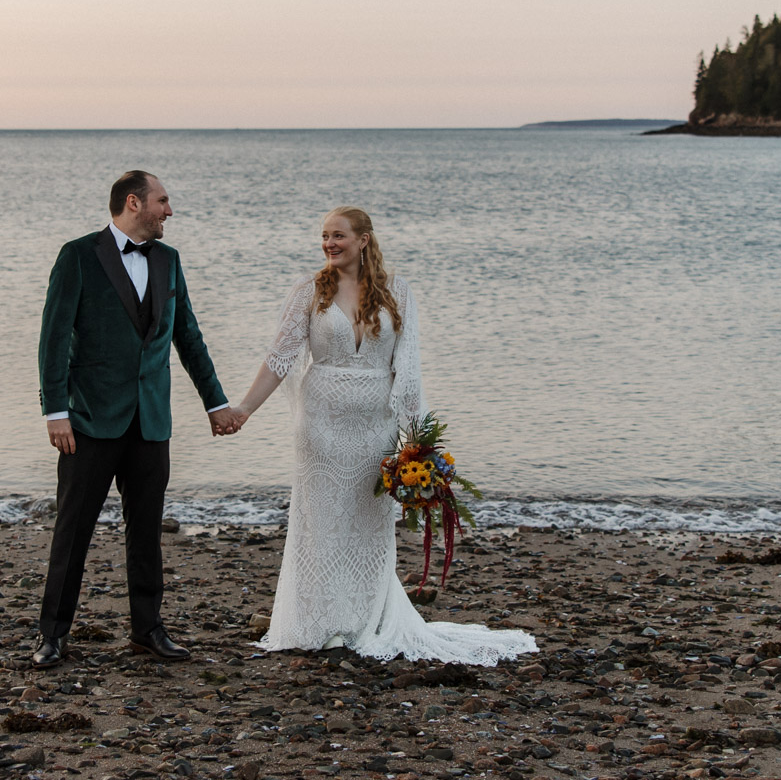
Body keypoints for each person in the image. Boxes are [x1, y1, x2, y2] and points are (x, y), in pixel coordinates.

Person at [231, 207, 537, 664]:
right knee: (322, 522)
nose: (329, 243)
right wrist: (242, 410)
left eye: (338, 235)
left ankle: (366, 618)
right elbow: (279, 359)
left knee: (369, 522)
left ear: (364, 240)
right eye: (324, 236)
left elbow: (407, 373)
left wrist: (421, 444)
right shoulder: (309, 293)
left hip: (377, 427)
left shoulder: (399, 292)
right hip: (320, 425)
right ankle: (322, 622)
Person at [34, 170, 241, 669]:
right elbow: (54, 338)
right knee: (73, 531)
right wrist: (55, 411)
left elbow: (187, 337)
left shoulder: (169, 261)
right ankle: (52, 635)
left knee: (146, 530)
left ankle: (147, 630)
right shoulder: (78, 256)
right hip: (87, 422)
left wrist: (216, 403)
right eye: (163, 201)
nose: (169, 210)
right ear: (134, 202)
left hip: (151, 423)